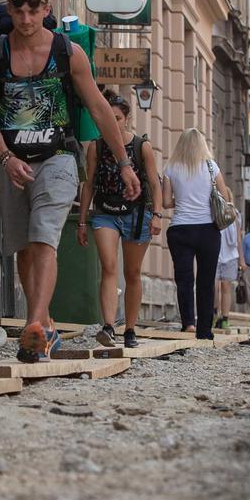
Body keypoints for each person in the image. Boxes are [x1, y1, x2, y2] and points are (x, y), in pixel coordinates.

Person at [0, 0, 137, 362]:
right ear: (10, 11)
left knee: (45, 235)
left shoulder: (68, 52)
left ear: (46, 11)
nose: (26, 19)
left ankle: (32, 325)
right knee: (24, 249)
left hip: (58, 157)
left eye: (34, 10)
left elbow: (99, 109)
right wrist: (5, 158)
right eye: (19, 11)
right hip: (9, 160)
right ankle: (44, 325)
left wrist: (124, 162)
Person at [76, 91, 160, 348]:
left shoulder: (141, 146)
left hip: (136, 215)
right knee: (109, 267)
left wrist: (156, 215)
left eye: (117, 118)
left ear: (127, 119)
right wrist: (81, 220)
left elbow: (155, 184)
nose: (113, 123)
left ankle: (131, 329)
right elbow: (88, 184)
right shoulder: (96, 147)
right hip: (105, 213)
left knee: (132, 272)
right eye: (108, 119)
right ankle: (109, 326)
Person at [162, 129, 229, 340]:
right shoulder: (211, 167)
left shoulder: (170, 168)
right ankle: (205, 330)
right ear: (202, 145)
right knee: (206, 281)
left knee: (184, 279)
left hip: (180, 229)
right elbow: (224, 195)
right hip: (208, 230)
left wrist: (182, 200)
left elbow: (165, 203)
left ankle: (188, 323)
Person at [214, 220, 240, 331]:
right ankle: (214, 314)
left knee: (226, 287)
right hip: (214, 253)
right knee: (213, 287)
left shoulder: (234, 213)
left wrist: (242, 260)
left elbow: (238, 237)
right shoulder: (212, 208)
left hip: (230, 256)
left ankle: (225, 318)